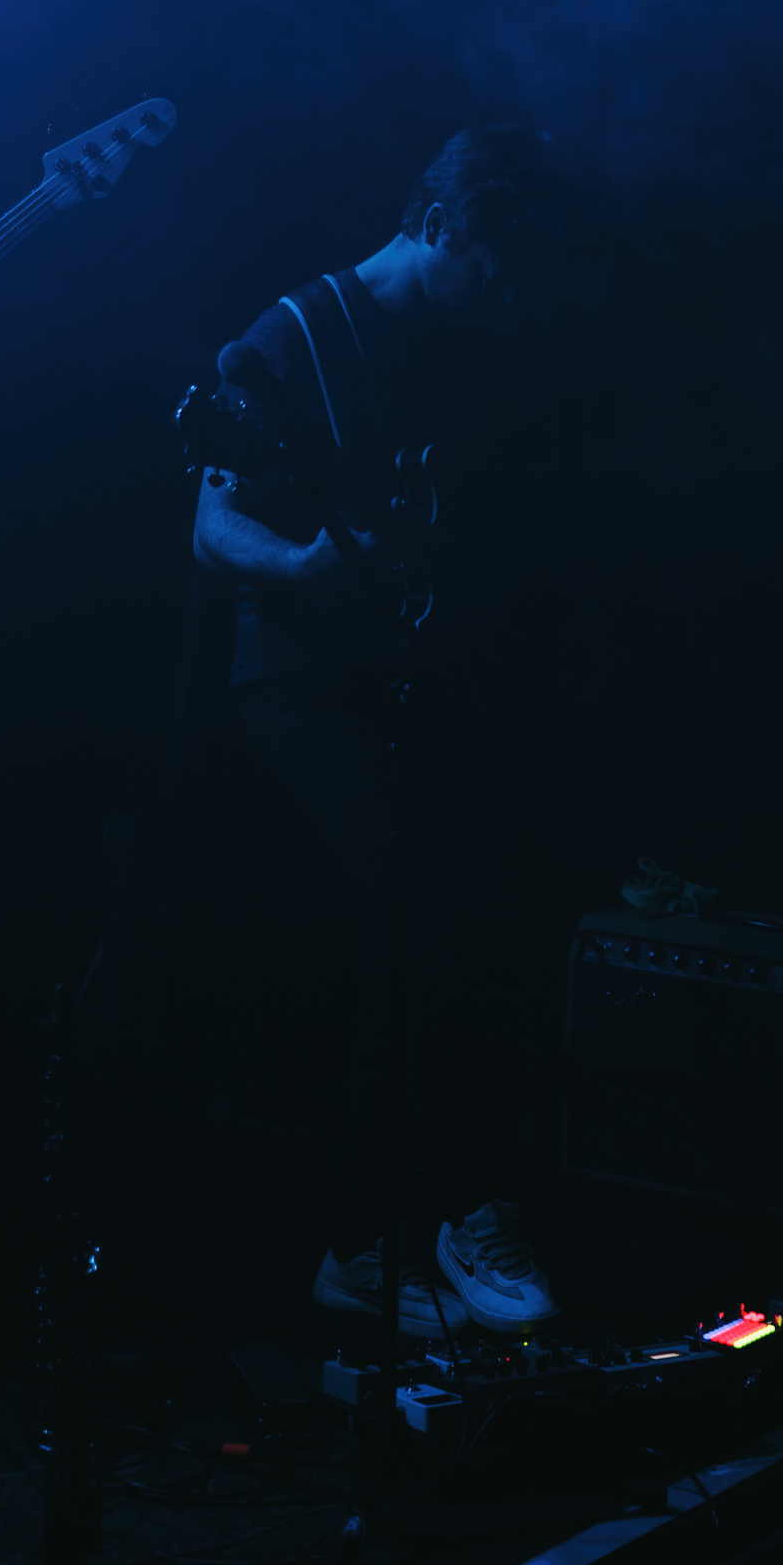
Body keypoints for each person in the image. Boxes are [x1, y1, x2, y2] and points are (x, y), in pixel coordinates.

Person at [193, 125, 563, 1338]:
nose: (508, 301)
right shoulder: (292, 336)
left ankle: (369, 1241)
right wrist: (304, 566)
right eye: (495, 274)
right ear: (440, 225)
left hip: (404, 673)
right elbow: (211, 529)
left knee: (455, 916)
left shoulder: (456, 342)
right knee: (424, 912)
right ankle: (444, 1214)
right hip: (297, 679)